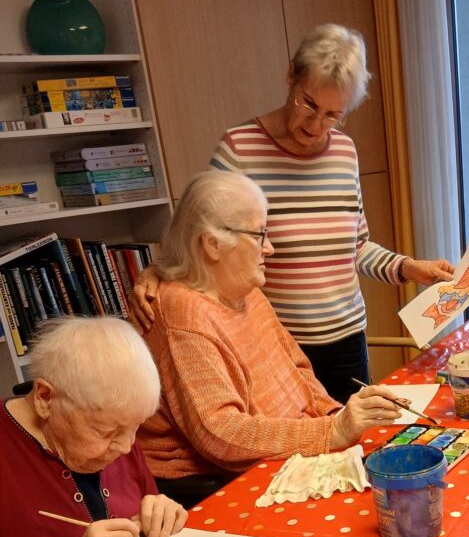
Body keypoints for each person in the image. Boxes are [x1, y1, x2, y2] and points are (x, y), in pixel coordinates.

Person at [131, 24, 454, 403]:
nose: (316, 126)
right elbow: (195, 234)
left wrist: (406, 267)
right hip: (277, 346)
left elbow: (357, 247)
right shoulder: (240, 150)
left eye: (333, 115)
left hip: (348, 341)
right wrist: (157, 272)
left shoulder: (344, 153)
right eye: (308, 105)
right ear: (290, 76)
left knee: (353, 449)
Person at [137, 170, 404, 505]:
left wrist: (334, 416)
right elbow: (221, 435)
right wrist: (331, 433)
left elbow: (299, 370)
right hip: (218, 483)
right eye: (260, 235)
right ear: (212, 243)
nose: (271, 248)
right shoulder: (184, 314)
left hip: (285, 454)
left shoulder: (244, 291)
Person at [0, 318, 187, 537]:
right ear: (46, 398)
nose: (128, 447)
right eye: (108, 431)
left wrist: (157, 513)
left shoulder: (117, 431)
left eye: (136, 427)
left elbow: (144, 502)